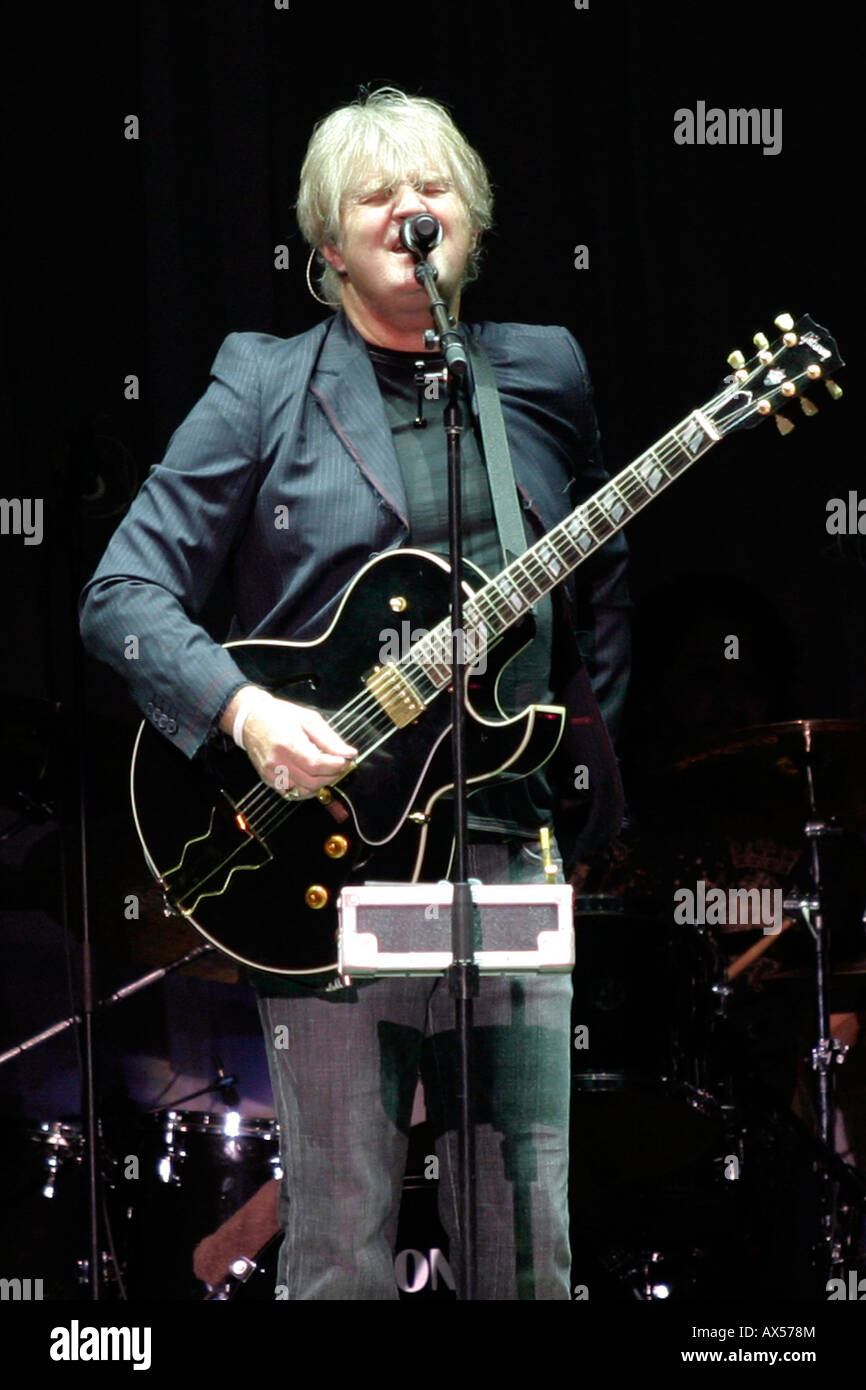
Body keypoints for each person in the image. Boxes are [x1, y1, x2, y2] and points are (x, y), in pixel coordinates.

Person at [80, 87, 630, 1300]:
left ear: (469, 222)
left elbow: (599, 586)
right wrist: (250, 714)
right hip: (326, 862)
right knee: (338, 1236)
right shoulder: (265, 384)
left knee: (527, 1239)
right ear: (327, 245)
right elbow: (122, 593)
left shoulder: (537, 372)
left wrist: (584, 772)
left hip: (502, 847)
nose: (410, 209)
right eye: (377, 195)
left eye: (431, 187)